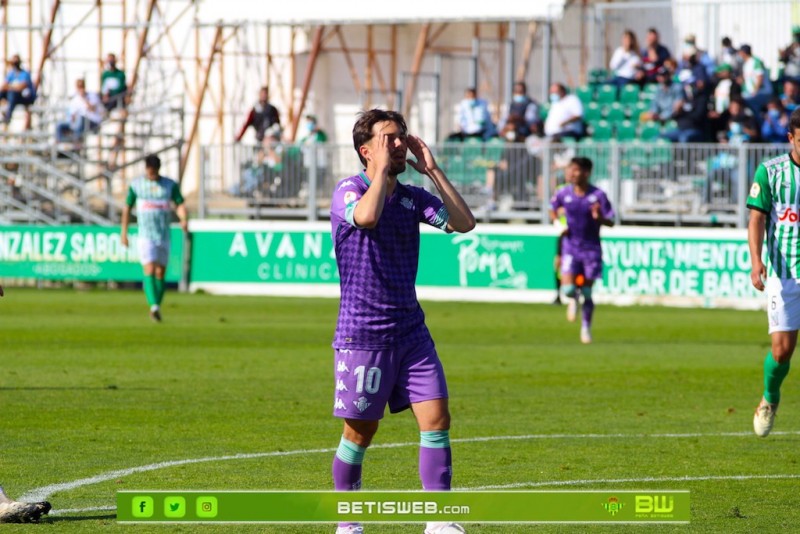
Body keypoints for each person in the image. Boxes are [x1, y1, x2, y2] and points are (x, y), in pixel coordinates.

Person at [329, 109, 475, 534]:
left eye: (402, 136)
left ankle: (439, 520)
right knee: (360, 434)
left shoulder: (413, 197)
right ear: (365, 149)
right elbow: (368, 218)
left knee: (437, 420)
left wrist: (432, 171)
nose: (399, 144)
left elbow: (464, 224)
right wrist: (380, 172)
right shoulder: (348, 191)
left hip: (411, 333)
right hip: (363, 336)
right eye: (389, 138)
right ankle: (349, 521)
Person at [747, 107, 800, 437]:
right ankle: (770, 398)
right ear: (791, 138)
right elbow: (756, 219)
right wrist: (756, 260)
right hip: (785, 275)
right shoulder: (771, 171)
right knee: (781, 353)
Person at [549, 157, 614, 344]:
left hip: (591, 249)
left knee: (587, 292)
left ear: (586, 172)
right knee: (568, 289)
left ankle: (586, 327)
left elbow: (611, 221)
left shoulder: (598, 195)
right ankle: (572, 299)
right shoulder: (563, 193)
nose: (570, 173)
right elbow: (551, 209)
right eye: (569, 169)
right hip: (570, 247)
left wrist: (599, 217)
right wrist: (558, 223)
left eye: (575, 170)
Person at [121, 154, 188, 322]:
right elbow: (127, 208)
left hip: (164, 235)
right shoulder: (137, 185)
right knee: (149, 269)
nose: (152, 175)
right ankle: (154, 306)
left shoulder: (169, 185)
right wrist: (124, 232)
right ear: (146, 169)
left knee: (160, 273)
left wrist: (184, 219)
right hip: (145, 236)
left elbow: (179, 204)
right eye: (150, 172)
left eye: (154, 172)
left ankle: (156, 304)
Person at [55, 79, 103, 149]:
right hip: (77, 123)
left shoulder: (92, 96)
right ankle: (60, 143)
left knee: (80, 118)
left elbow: (92, 109)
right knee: (59, 124)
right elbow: (72, 114)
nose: (80, 89)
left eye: (82, 86)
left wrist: (84, 99)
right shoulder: (75, 99)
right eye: (79, 87)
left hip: (92, 122)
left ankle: (77, 141)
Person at [738, 44, 773, 116]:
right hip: (752, 93)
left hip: (761, 93)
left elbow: (760, 77)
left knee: (758, 114)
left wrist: (755, 91)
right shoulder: (746, 64)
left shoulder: (755, 61)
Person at [0, 55, 36, 124]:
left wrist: (10, 87)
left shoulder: (25, 73)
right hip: (13, 97)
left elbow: (22, 87)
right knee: (2, 93)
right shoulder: (11, 74)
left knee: (12, 94)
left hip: (25, 98)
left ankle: (8, 116)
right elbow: (3, 86)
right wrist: (13, 87)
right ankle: (5, 115)